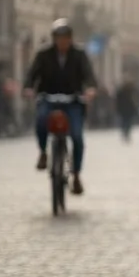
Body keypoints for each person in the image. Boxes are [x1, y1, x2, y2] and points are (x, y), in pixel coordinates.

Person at [23, 19, 98, 194]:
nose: (62, 41)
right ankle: (43, 152)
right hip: (48, 97)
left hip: (72, 100)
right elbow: (32, 74)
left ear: (71, 39)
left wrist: (91, 89)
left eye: (65, 38)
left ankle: (76, 175)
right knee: (41, 120)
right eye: (59, 38)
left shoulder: (79, 54)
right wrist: (28, 88)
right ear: (54, 38)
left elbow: (89, 75)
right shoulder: (44, 54)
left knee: (77, 136)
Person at [115, 77, 139, 142]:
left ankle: (126, 132)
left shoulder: (131, 91)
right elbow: (118, 100)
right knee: (127, 121)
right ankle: (126, 132)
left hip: (126, 109)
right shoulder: (127, 91)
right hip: (127, 109)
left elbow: (117, 100)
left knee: (126, 121)